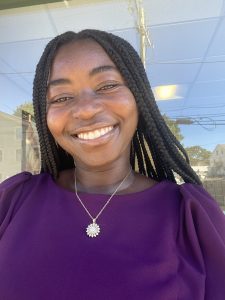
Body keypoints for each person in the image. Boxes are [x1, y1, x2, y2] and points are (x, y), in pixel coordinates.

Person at [0, 29, 225, 300]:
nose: (85, 109)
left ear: (138, 98)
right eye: (61, 97)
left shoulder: (190, 216)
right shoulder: (13, 200)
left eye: (107, 85)